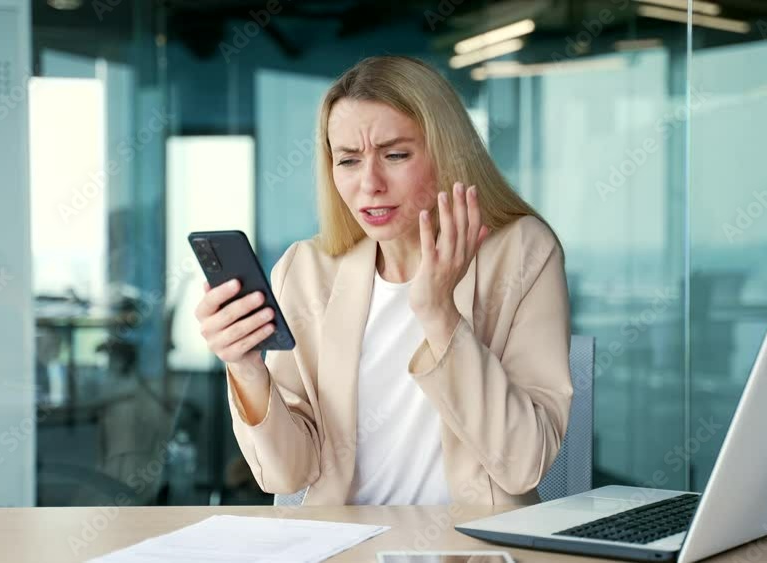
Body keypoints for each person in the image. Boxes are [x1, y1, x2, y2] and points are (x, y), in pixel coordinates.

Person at [194, 55, 572, 506]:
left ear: (448, 153)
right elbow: (287, 474)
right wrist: (246, 368)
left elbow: (524, 463)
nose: (369, 183)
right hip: (345, 538)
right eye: (348, 160)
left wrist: (440, 315)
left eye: (395, 155)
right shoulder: (307, 270)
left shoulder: (522, 252)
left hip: (473, 540)